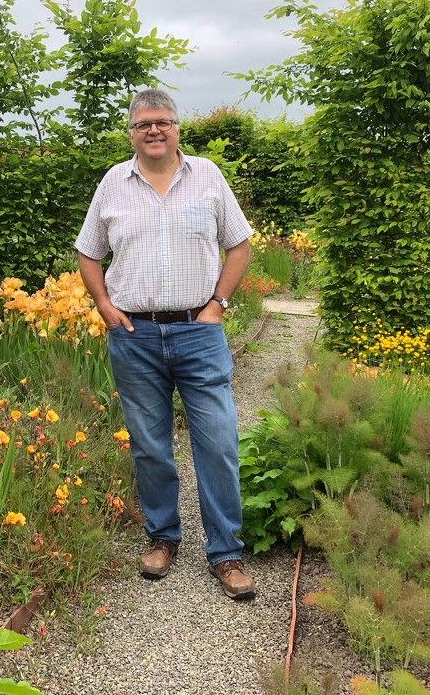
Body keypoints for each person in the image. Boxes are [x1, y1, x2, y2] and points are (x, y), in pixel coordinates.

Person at [74, 88, 256, 600]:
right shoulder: (113, 182)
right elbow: (89, 253)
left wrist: (217, 303)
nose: (154, 130)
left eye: (163, 122)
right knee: (150, 446)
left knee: (218, 442)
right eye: (144, 124)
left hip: (199, 333)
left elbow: (239, 245)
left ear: (178, 128)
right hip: (135, 335)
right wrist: (106, 307)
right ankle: (162, 538)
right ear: (132, 132)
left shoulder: (208, 177)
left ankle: (225, 552)